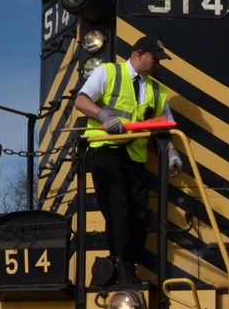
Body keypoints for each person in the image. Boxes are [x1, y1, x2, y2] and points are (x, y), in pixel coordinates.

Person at [73, 35, 184, 283]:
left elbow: (163, 127)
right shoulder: (108, 72)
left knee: (139, 213)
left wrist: (171, 153)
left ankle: (128, 266)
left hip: (134, 155)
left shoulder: (156, 90)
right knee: (118, 208)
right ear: (139, 54)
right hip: (105, 149)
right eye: (155, 59)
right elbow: (81, 100)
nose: (158, 64)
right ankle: (119, 265)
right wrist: (103, 115)